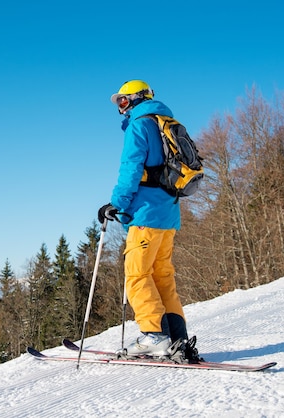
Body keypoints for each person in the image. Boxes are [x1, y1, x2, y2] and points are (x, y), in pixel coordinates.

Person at [98, 80, 199, 361]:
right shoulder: (165, 121)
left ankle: (154, 336)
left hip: (145, 214)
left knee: (137, 275)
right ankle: (177, 338)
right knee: (162, 276)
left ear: (136, 99)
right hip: (168, 215)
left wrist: (116, 205)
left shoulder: (139, 125)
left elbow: (131, 168)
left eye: (122, 100)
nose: (120, 107)